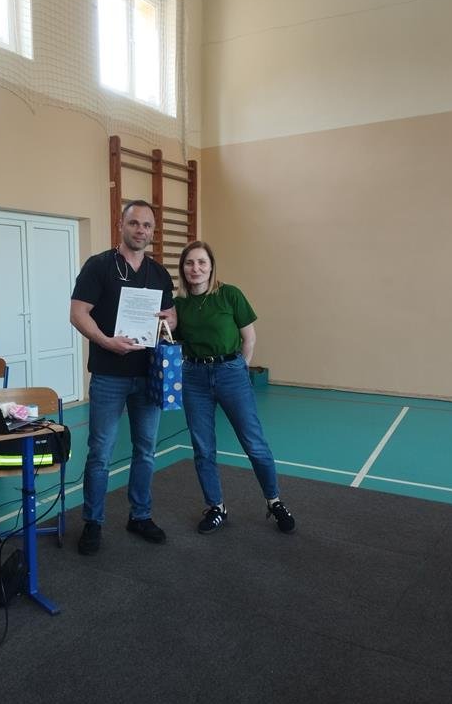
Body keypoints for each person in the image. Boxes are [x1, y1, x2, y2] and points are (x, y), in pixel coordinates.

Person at [70, 200, 176, 554]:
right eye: (134, 223)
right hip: (108, 375)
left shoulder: (159, 273)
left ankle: (140, 516)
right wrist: (106, 341)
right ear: (121, 225)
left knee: (146, 451)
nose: (140, 230)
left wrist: (168, 321)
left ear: (153, 231)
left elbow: (172, 317)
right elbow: (78, 313)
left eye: (147, 225)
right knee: (100, 452)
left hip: (148, 376)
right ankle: (93, 522)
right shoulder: (98, 266)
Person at [174, 240, 295, 535]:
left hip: (231, 373)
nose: (195, 268)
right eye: (189, 263)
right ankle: (216, 506)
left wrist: (239, 368)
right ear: (183, 268)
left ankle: (274, 501)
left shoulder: (229, 295)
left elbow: (248, 337)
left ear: (211, 266)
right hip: (194, 377)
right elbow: (169, 337)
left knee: (254, 444)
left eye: (202, 262)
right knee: (203, 448)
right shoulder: (178, 305)